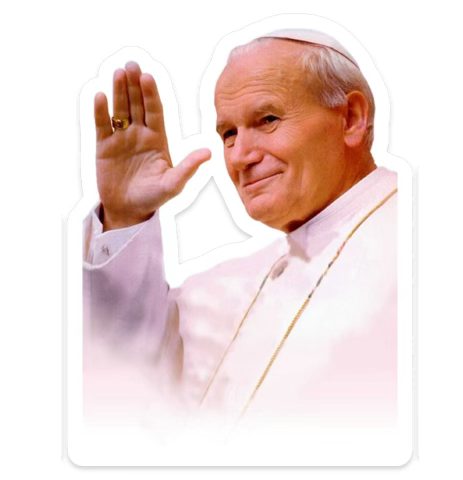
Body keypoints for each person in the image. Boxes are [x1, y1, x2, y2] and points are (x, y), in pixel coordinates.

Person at [83, 28, 401, 440]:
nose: (240, 157)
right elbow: (122, 394)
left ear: (351, 118)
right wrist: (125, 214)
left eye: (267, 120)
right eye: (229, 133)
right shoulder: (223, 283)